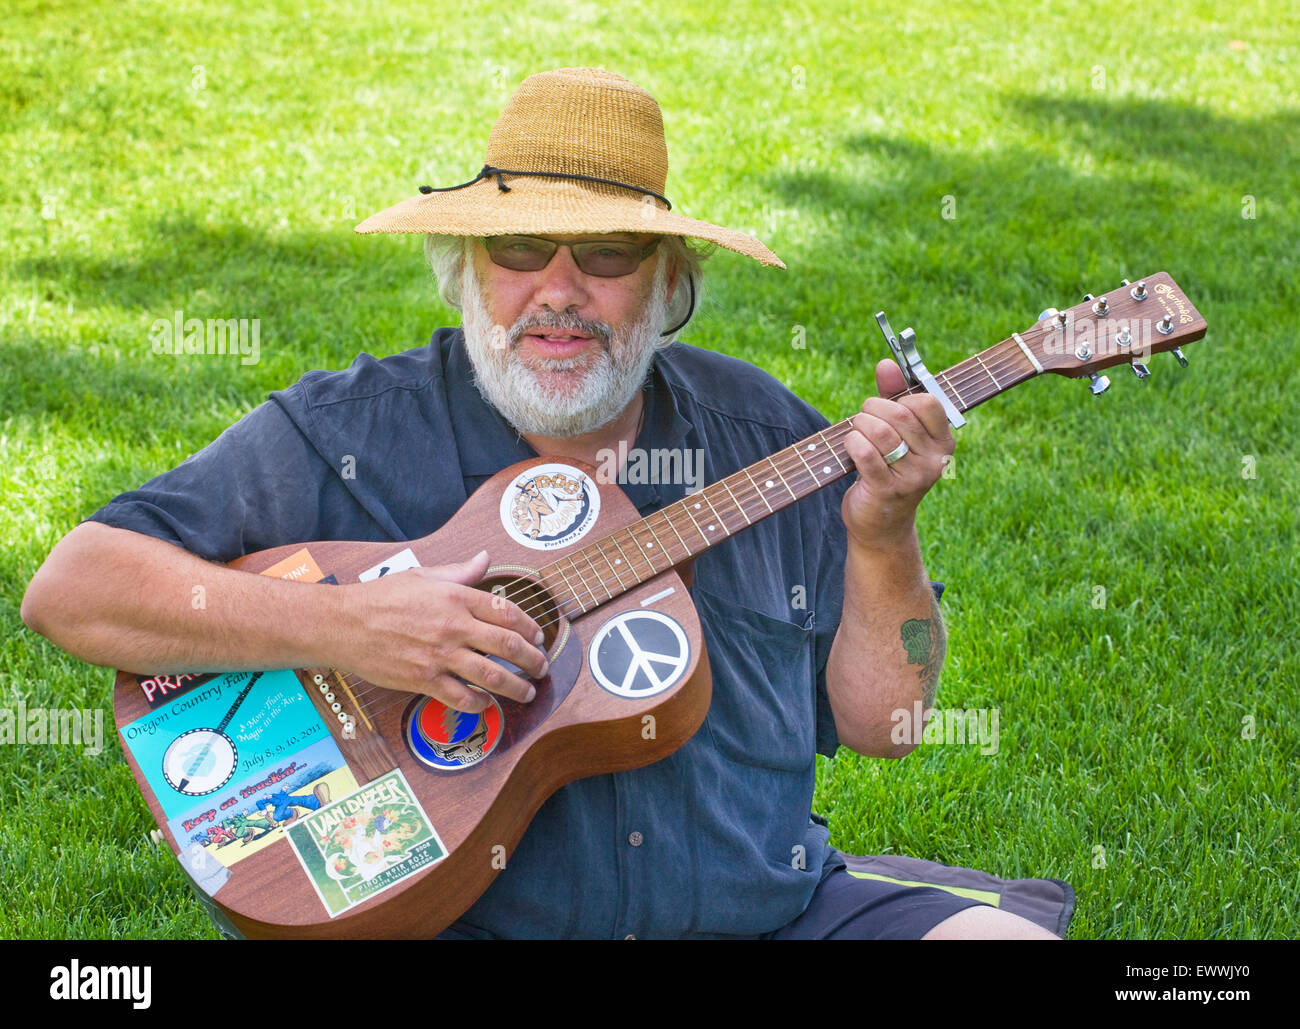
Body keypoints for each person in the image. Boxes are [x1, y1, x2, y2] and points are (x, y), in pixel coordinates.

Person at [21, 67, 1055, 939]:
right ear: (467, 267)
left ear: (666, 280)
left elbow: (892, 724)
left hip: (770, 917)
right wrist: (347, 625)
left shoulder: (767, 437)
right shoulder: (346, 435)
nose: (558, 290)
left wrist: (883, 535)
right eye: (520, 250)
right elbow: (74, 589)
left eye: (605, 253)